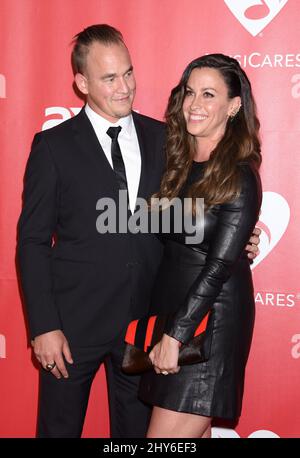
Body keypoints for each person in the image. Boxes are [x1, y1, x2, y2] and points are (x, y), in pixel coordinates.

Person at [17, 24, 260, 438]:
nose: (124, 87)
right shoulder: (53, 147)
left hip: (147, 325)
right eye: (109, 78)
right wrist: (43, 325)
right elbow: (33, 242)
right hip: (73, 325)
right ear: (81, 83)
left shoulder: (168, 140)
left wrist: (237, 241)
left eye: (128, 73)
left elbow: (197, 211)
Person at [138, 53, 262, 438]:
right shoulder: (179, 162)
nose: (195, 104)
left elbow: (218, 266)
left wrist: (176, 335)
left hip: (210, 325)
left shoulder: (240, 175)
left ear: (234, 106)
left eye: (209, 95)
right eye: (190, 93)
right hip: (175, 314)